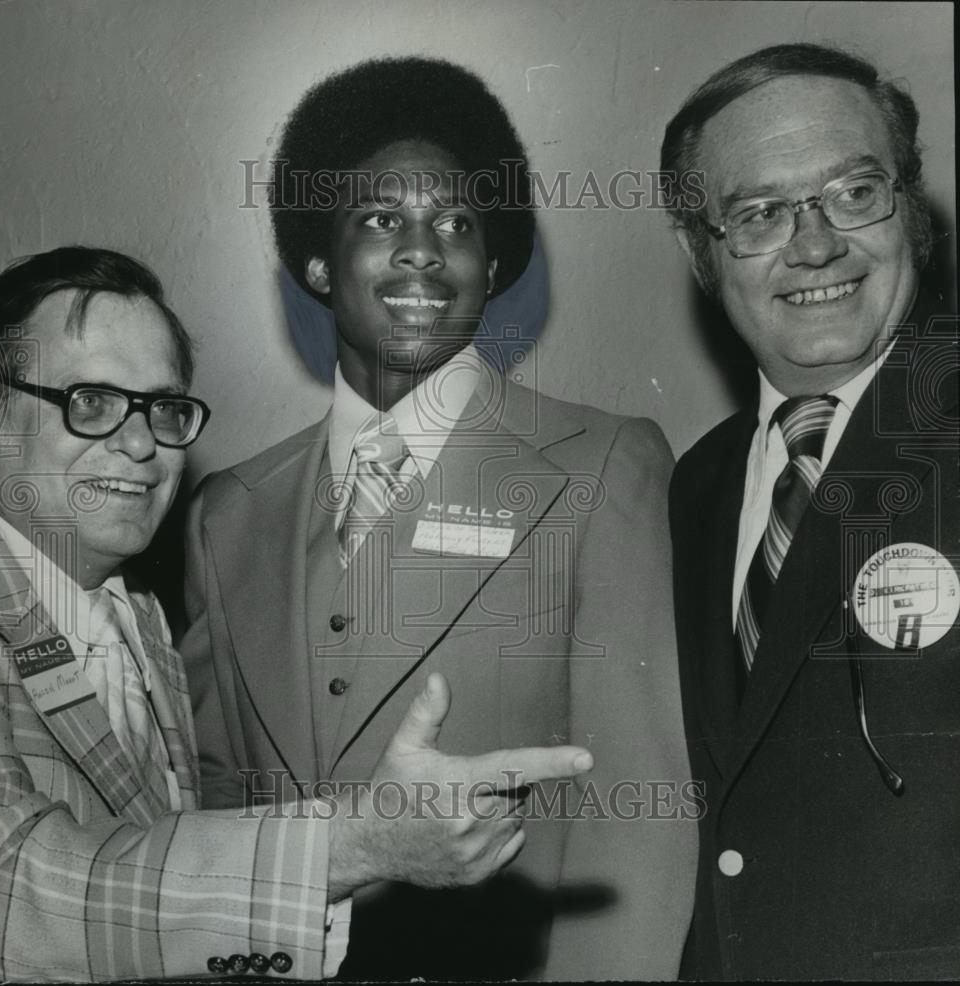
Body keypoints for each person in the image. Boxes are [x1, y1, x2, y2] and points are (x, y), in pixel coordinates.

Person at [181, 56, 696, 980]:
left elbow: (640, 816)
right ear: (314, 260)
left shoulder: (603, 465)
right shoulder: (227, 514)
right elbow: (215, 805)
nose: (423, 249)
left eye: (456, 223)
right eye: (381, 219)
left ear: (492, 267)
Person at [0, 246, 593, 982]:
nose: (139, 445)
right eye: (91, 403)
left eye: (163, 409)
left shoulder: (138, 617)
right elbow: (4, 892)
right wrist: (354, 844)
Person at [662, 43, 959, 979]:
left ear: (911, 210)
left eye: (855, 192)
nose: (817, 244)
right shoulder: (698, 485)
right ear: (701, 252)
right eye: (758, 214)